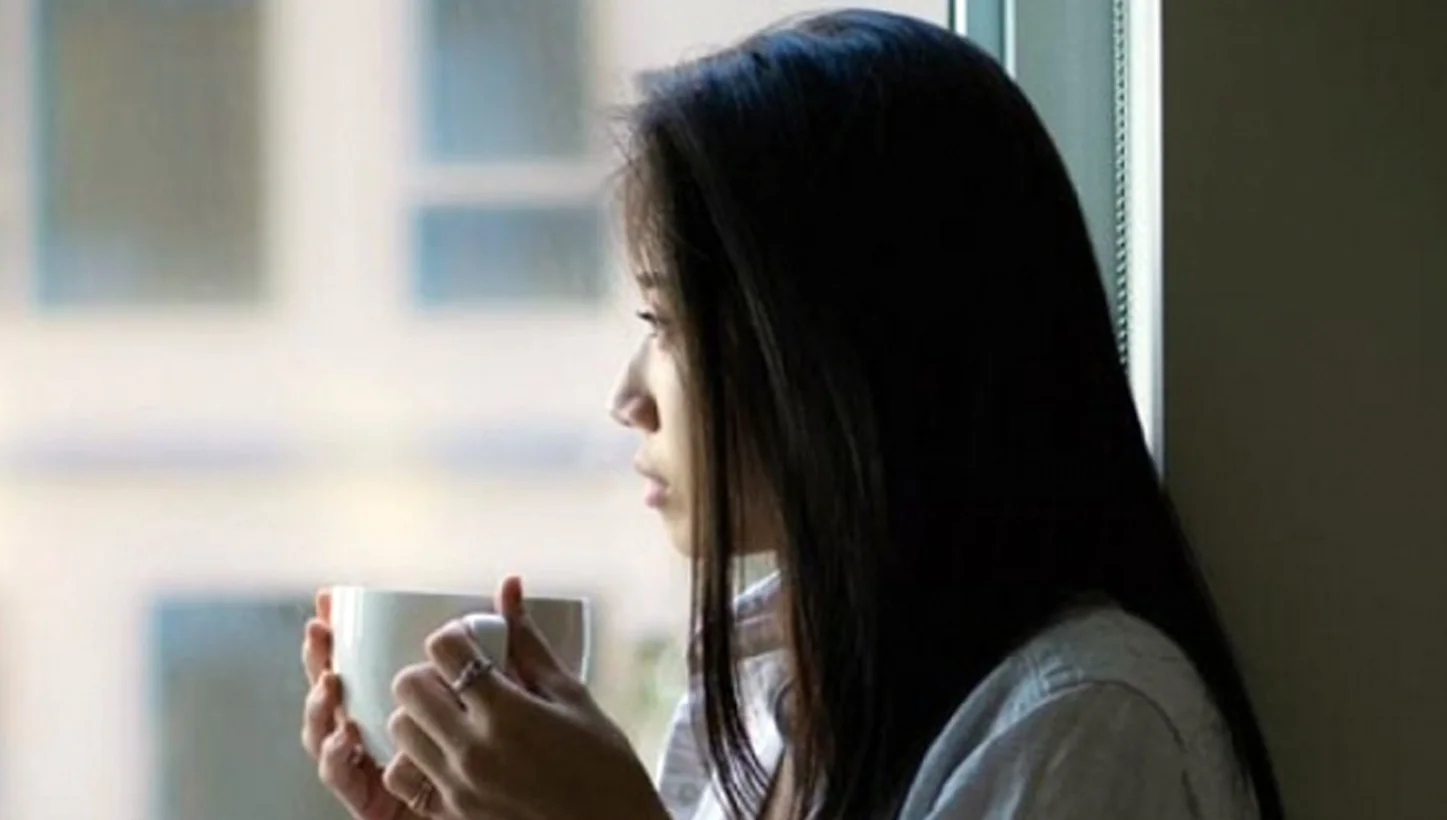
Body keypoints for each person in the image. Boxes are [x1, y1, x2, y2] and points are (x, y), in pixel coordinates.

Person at [299, 9, 1285, 819]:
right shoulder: (761, 706)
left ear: (841, 347)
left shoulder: (1085, 721)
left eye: (665, 322)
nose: (628, 398)